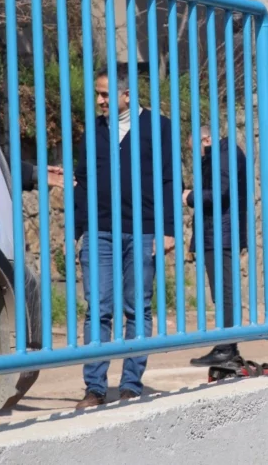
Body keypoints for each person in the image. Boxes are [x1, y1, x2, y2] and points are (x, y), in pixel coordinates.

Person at [73, 68, 176, 408]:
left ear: (127, 94)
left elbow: (168, 180)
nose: (99, 101)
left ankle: (131, 384)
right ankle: (95, 388)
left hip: (143, 229)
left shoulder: (158, 128)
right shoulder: (95, 131)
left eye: (104, 94)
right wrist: (77, 231)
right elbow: (83, 182)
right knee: (97, 309)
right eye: (98, 94)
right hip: (100, 230)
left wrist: (169, 230)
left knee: (138, 308)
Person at [184, 126, 248, 368]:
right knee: (222, 290)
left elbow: (220, 192)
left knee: (224, 290)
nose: (197, 156)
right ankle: (226, 345)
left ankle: (226, 347)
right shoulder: (224, 153)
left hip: (221, 232)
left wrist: (189, 196)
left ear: (207, 139)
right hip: (219, 231)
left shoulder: (223, 154)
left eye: (197, 149)